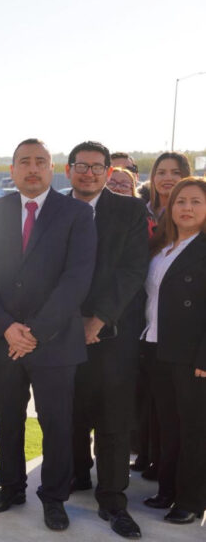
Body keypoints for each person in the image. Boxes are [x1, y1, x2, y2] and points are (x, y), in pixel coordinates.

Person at [0, 138, 97, 531]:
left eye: (40, 161)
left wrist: (36, 332)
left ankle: (54, 497)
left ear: (52, 169)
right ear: (11, 170)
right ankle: (10, 487)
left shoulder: (76, 214)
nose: (32, 168)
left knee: (57, 423)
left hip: (56, 342)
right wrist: (6, 327)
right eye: (24, 162)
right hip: (4, 341)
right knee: (9, 419)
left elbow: (76, 279)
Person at [64, 142, 148, 539]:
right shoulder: (55, 211)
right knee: (71, 412)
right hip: (62, 333)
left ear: (107, 172)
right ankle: (75, 477)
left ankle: (112, 498)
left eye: (98, 167)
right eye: (82, 166)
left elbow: (132, 271)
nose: (90, 173)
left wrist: (98, 319)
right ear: (68, 170)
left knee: (113, 420)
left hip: (113, 333)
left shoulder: (130, 211)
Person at [142, 177, 206, 525]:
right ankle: (167, 490)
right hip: (156, 347)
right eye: (181, 201)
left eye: (196, 202)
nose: (187, 208)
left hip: (192, 356)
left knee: (195, 429)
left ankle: (192, 500)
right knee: (168, 426)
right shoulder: (161, 246)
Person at [133, 152, 192, 479]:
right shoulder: (142, 212)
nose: (167, 178)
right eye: (161, 172)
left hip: (180, 334)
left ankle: (173, 474)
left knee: (178, 413)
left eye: (175, 172)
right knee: (150, 401)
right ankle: (149, 458)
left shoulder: (190, 217)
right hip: (144, 323)